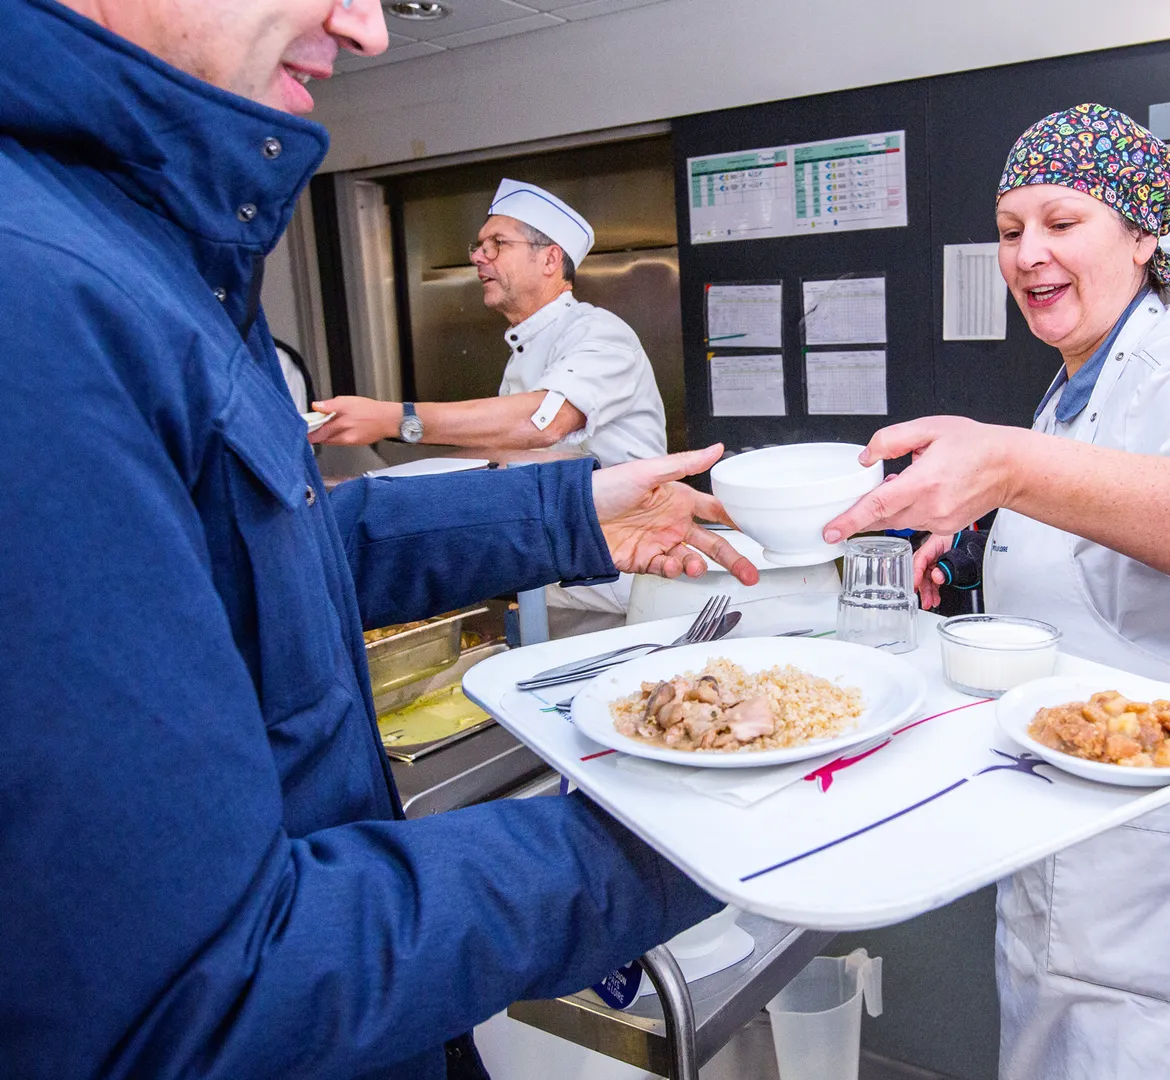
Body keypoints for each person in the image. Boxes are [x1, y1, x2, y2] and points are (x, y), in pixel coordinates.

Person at [0, 2, 759, 1079]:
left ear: (553, 259)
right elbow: (204, 992)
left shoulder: (145, 251)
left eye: (497, 245)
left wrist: (550, 502)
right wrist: (691, 827)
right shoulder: (41, 286)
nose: (370, 27)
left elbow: (288, 542)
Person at [824, 105, 1170, 1078]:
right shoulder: (1075, 386)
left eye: (1063, 222)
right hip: (1084, 810)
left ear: (1144, 234)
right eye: (1012, 229)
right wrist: (981, 553)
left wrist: (1012, 469)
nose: (1028, 255)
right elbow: (1108, 541)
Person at [309, 180, 667, 468]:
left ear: (549, 259)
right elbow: (510, 455)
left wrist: (396, 419)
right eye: (479, 245)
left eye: (498, 243)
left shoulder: (599, 332)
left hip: (626, 546)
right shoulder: (523, 351)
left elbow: (542, 423)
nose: (478, 257)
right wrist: (391, 485)